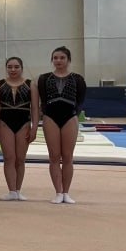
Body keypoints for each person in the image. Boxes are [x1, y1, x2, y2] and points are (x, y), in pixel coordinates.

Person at [34, 47, 87, 204]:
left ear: (68, 60)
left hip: (70, 117)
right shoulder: (43, 79)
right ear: (52, 60)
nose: (58, 60)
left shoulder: (77, 79)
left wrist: (74, 115)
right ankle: (58, 192)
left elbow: (80, 101)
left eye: (62, 57)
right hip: (50, 118)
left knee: (68, 156)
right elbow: (43, 101)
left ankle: (66, 192)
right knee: (54, 156)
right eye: (55, 58)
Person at [0, 57, 34, 201]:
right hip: (5, 123)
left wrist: (34, 127)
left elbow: (35, 109)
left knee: (20, 159)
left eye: (16, 67)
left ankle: (18, 190)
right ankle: (11, 191)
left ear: (21, 68)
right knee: (9, 158)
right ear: (6, 68)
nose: (13, 69)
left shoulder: (30, 85)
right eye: (10, 67)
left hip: (24, 123)